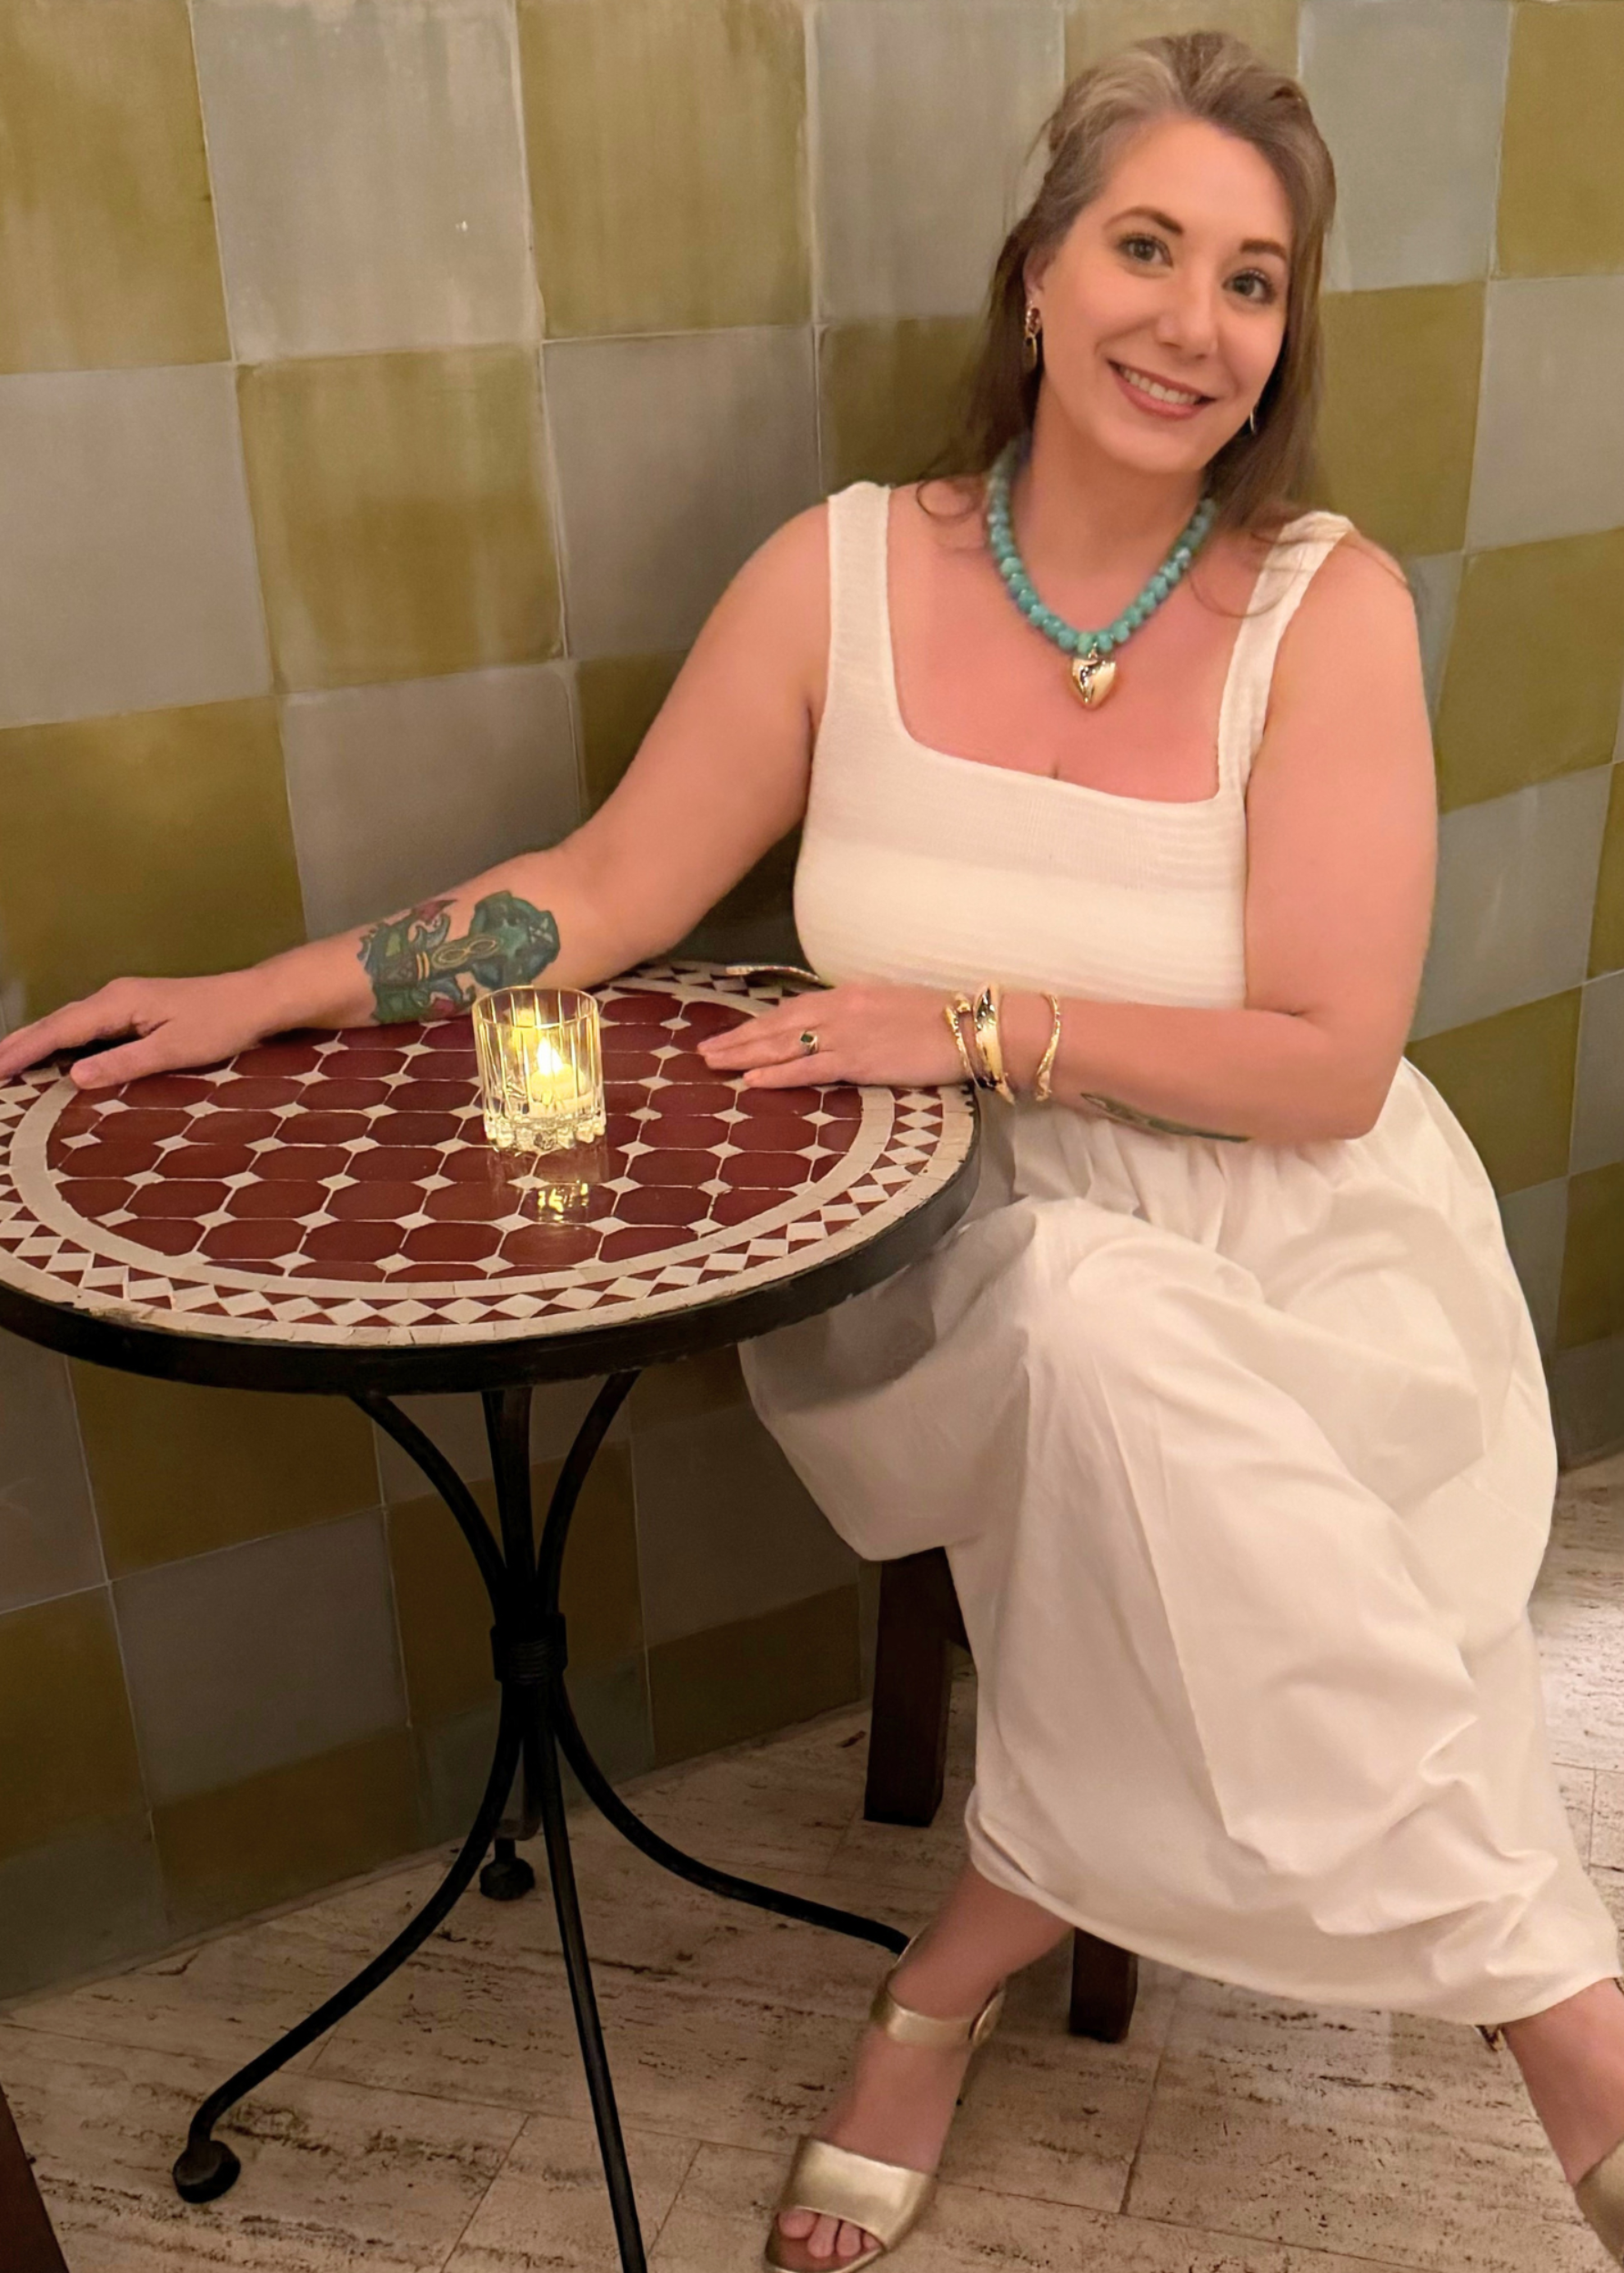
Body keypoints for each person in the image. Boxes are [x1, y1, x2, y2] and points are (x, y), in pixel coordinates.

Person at [4, 27, 1623, 2272]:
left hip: (1308, 1246)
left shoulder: (1319, 605)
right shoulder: (838, 573)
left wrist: (972, 1019)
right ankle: (1570, 2026)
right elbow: (601, 890)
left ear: (1284, 331)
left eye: (1251, 280)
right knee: (1084, 1326)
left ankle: (951, 1965)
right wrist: (260, 990)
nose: (1192, 320)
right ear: (1036, 274)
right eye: (1144, 247)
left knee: (1145, 1392)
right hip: (934, 1254)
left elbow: (1329, 1067)